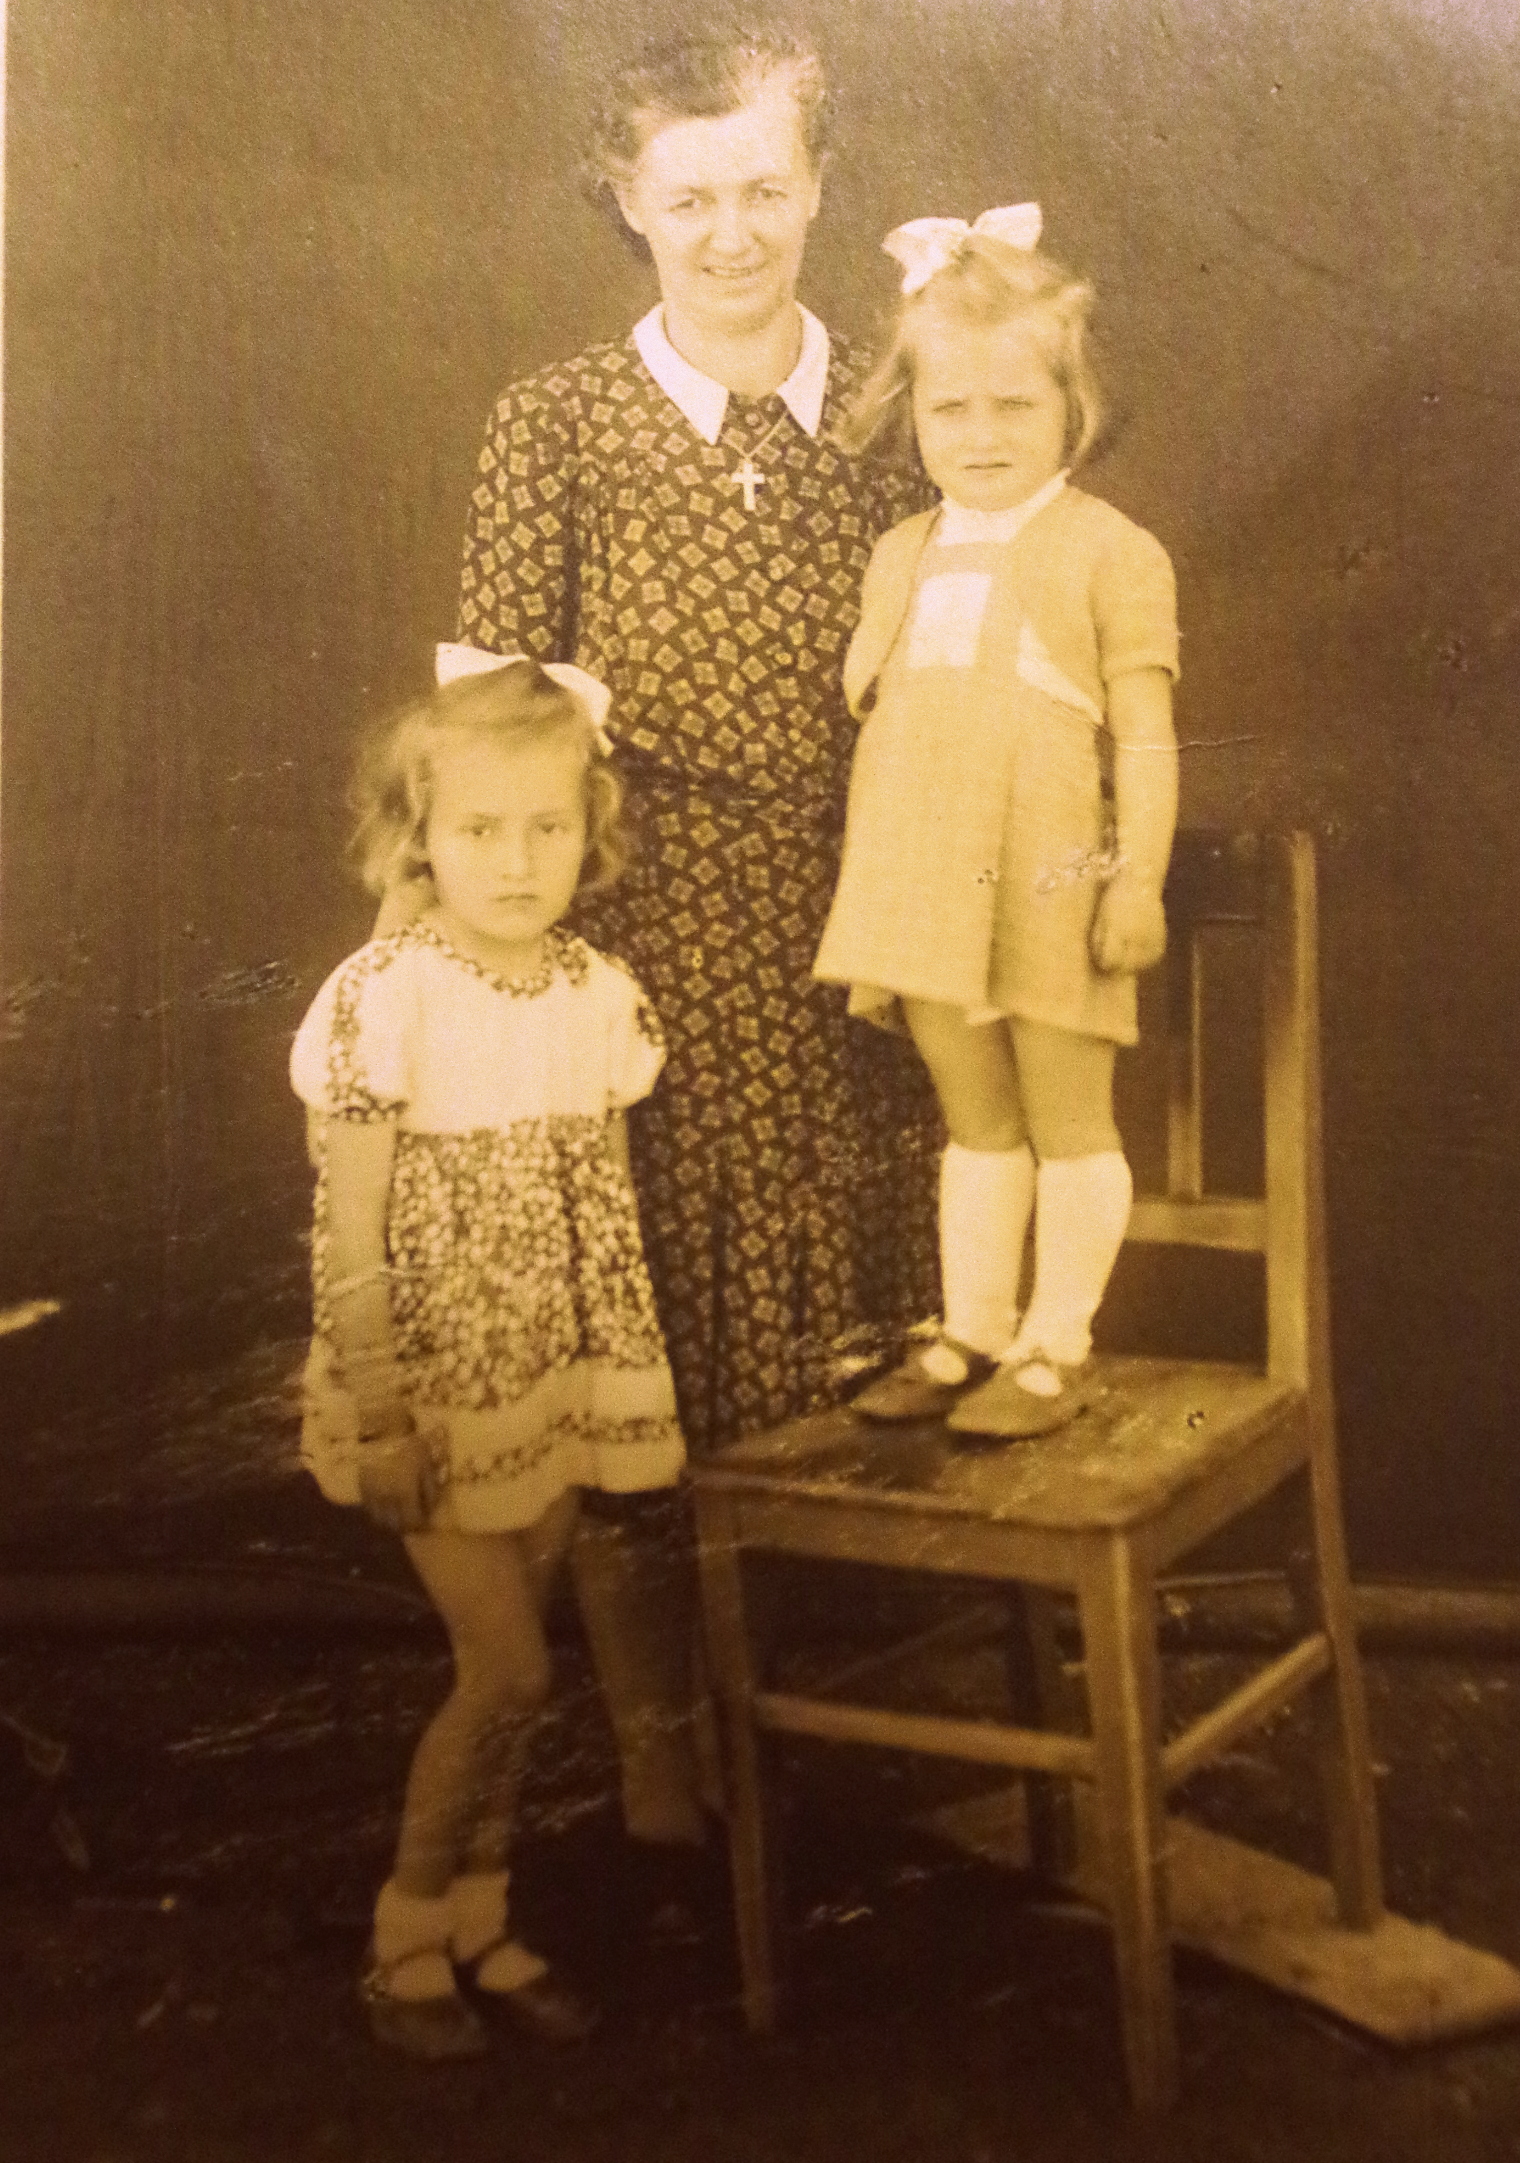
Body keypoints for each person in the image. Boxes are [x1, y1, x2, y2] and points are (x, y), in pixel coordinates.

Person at [451, 25, 941, 1904]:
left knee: (860, 1334)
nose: (729, 232)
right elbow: (494, 727)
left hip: (862, 941)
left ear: (813, 188)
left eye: (762, 188)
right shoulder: (555, 420)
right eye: (687, 198)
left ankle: (822, 1730)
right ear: (628, 205)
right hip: (637, 959)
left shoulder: (899, 400)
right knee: (643, 1352)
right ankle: (670, 1762)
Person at [291, 650, 685, 2059]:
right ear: (420, 838)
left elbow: (586, 1200)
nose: (517, 862)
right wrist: (384, 1412)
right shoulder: (384, 993)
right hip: (432, 1389)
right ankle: (404, 1934)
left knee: (525, 1672)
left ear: (591, 831)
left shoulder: (596, 992)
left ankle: (483, 1917)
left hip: (556, 1375)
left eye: (547, 828)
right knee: (508, 1670)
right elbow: (348, 1230)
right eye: (477, 829)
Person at [815, 204, 1180, 1439]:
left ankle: (1055, 1340)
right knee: (973, 1120)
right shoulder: (899, 553)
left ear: (1073, 407)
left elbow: (1145, 739)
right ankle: (971, 1330)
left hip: (1051, 881)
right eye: (950, 408)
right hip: (925, 878)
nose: (980, 436)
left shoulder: (1112, 551)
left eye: (1015, 406)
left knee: (1067, 1121)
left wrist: (1136, 881)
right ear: (912, 414)